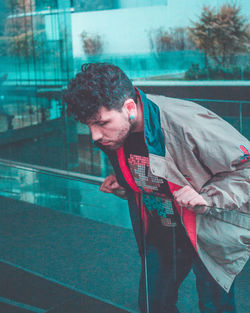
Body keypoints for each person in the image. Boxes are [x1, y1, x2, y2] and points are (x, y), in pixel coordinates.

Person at [63, 63, 249, 313]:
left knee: (215, 306)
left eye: (101, 123)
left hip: (207, 231)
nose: (95, 135)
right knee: (154, 305)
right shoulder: (117, 132)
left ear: (129, 107)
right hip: (162, 231)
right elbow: (157, 168)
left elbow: (245, 170)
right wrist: (129, 183)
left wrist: (207, 197)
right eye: (89, 125)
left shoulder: (187, 122)